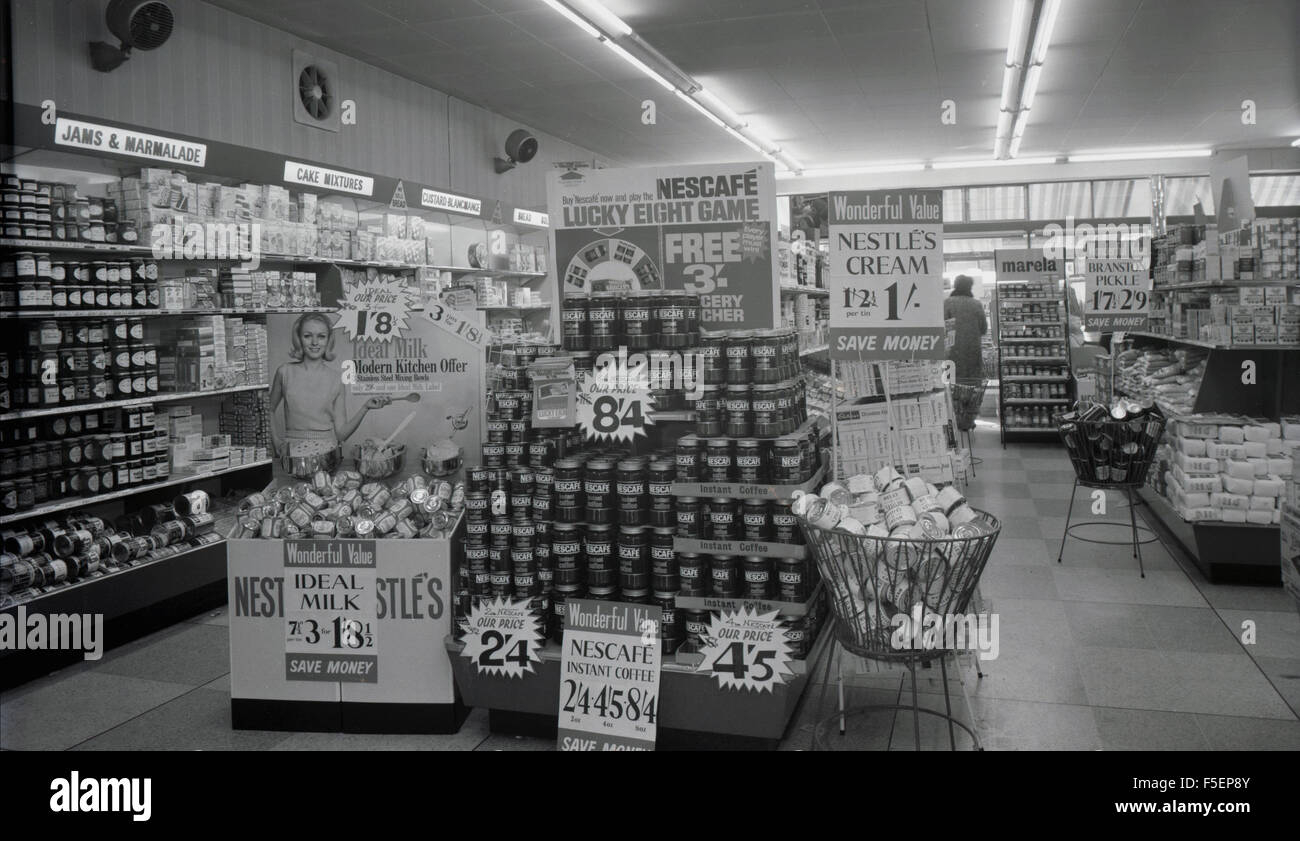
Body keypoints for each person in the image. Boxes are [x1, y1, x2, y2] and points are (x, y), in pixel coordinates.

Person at [270, 313, 391, 458]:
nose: (315, 342)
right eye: (308, 336)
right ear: (299, 339)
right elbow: (268, 410)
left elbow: (341, 434)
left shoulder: (337, 379)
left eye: (321, 336)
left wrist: (365, 408)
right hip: (292, 454)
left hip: (327, 455)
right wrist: (276, 442)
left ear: (328, 340)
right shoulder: (284, 372)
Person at [944, 274, 987, 381]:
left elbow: (943, 328)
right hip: (973, 351)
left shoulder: (948, 303)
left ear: (955, 285)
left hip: (953, 351)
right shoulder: (976, 304)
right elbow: (984, 328)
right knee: (973, 385)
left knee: (953, 384)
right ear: (970, 287)